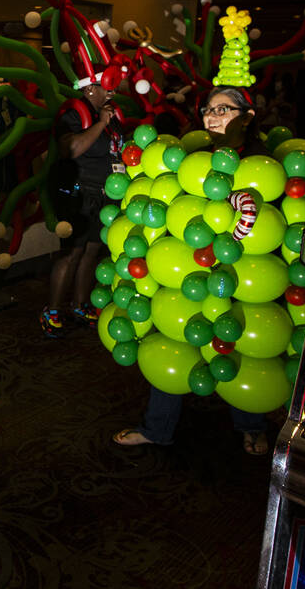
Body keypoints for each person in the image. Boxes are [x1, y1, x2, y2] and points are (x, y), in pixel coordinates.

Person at [113, 86, 269, 455]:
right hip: (188, 269)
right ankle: (157, 428)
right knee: (174, 338)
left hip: (242, 275)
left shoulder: (262, 160)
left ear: (247, 115)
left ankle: (252, 425)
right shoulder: (193, 156)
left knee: (236, 346)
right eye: (208, 110)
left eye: (224, 109)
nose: (213, 116)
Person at [41, 79, 124, 338]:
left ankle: (79, 305)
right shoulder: (73, 112)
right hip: (79, 193)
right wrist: (100, 123)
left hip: (105, 192)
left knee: (92, 251)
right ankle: (52, 310)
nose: (112, 92)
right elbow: (72, 148)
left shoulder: (112, 114)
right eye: (107, 87)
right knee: (72, 253)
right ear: (90, 89)